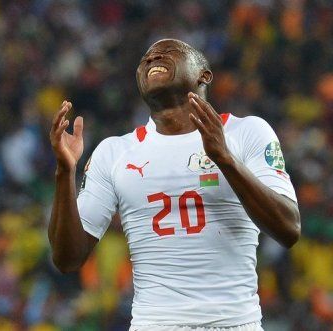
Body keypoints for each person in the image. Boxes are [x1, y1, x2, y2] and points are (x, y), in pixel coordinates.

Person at [48, 39, 300, 331]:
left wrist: (226, 160)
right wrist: (65, 172)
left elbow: (288, 229)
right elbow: (67, 259)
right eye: (146, 58)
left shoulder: (246, 132)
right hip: (155, 324)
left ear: (203, 75)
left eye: (168, 51)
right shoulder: (114, 152)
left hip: (235, 322)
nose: (153, 56)